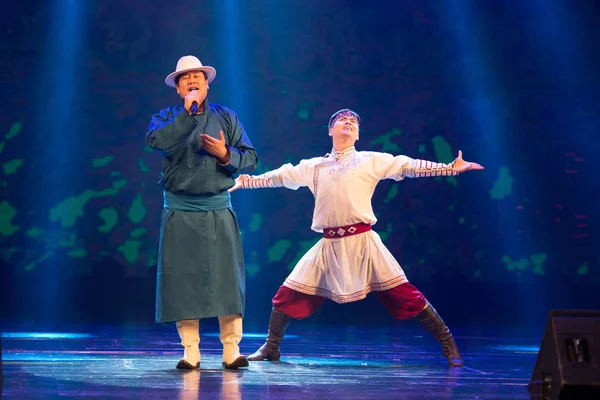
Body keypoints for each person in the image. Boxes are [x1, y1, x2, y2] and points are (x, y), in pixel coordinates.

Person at [229, 109, 484, 367]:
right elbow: (280, 177)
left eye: (354, 122)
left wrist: (449, 168)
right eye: (342, 120)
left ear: (358, 134)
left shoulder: (370, 160)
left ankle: (448, 343)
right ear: (331, 130)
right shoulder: (313, 166)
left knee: (405, 295)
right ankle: (271, 347)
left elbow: (407, 166)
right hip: (328, 244)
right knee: (287, 295)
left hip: (364, 243)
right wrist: (247, 181)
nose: (349, 123)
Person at [146, 55, 258, 370]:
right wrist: (186, 114)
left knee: (226, 279)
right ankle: (190, 350)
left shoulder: (227, 117)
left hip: (217, 207)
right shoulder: (166, 117)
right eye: (186, 79)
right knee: (183, 280)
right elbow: (157, 141)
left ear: (207, 84)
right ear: (179, 89)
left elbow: (251, 158)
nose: (193, 81)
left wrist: (225, 154)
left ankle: (231, 349)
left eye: (198, 77)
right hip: (180, 209)